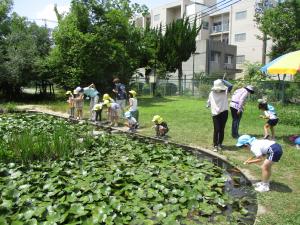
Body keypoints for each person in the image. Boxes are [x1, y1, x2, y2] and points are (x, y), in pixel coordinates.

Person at [207, 79, 233, 151]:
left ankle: (220, 144)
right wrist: (208, 104)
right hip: (215, 113)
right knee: (216, 129)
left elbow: (231, 85)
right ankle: (215, 145)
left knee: (222, 129)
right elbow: (209, 101)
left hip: (224, 112)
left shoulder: (225, 92)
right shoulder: (211, 93)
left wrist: (223, 80)